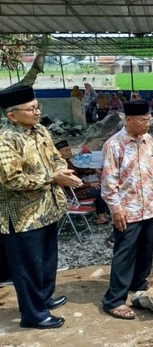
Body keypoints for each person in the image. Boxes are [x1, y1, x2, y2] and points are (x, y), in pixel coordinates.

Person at [0, 84, 83, 329]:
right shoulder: (6, 140)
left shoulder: (40, 130)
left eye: (38, 107)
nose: (37, 112)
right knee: (27, 266)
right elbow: (11, 179)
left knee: (47, 259)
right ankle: (33, 313)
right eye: (31, 109)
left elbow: (56, 156)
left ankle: (44, 298)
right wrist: (52, 178)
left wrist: (61, 168)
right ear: (12, 115)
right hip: (22, 215)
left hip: (47, 209)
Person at [101, 100, 153, 320]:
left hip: (148, 207)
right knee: (124, 253)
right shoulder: (114, 145)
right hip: (128, 209)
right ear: (128, 120)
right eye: (143, 120)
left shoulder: (148, 140)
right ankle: (114, 300)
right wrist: (115, 208)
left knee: (146, 249)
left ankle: (139, 283)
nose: (148, 124)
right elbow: (109, 181)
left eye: (149, 119)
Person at [55, 139, 109, 224]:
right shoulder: (60, 167)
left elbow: (80, 170)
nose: (69, 152)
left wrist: (94, 170)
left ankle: (102, 216)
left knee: (103, 187)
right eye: (66, 150)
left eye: (69, 150)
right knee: (102, 190)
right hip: (75, 192)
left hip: (80, 188)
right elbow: (71, 182)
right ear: (58, 153)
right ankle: (102, 216)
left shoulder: (68, 162)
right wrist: (89, 184)